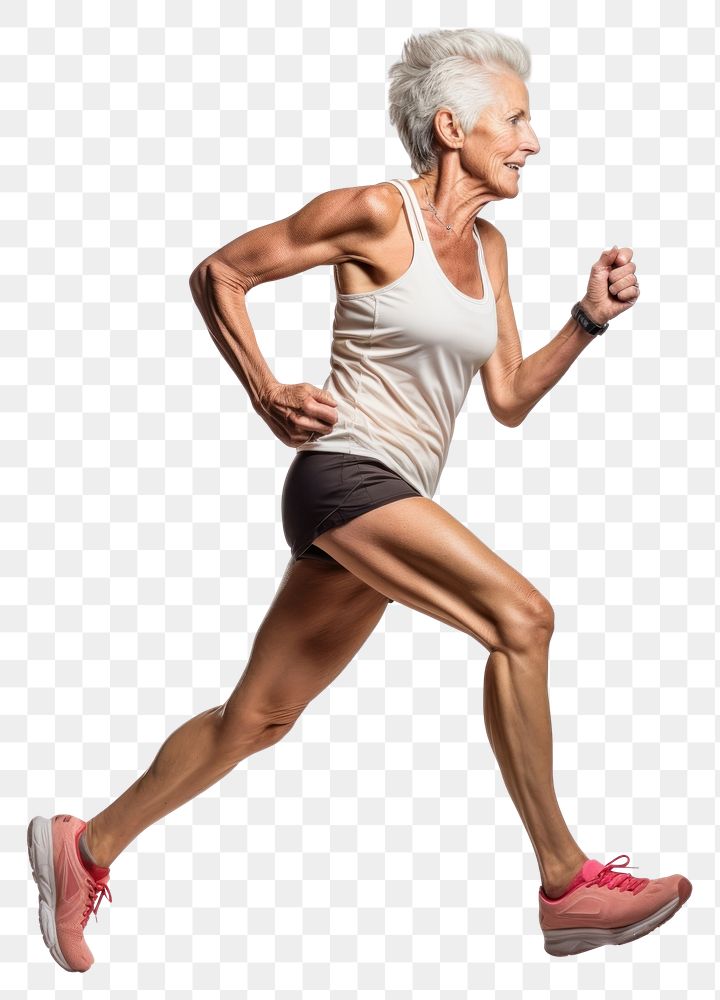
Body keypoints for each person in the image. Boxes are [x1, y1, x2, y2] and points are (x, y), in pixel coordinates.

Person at [27, 27, 691, 972]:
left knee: (255, 719)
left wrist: (587, 320)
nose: (533, 141)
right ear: (452, 125)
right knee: (522, 619)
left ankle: (84, 846)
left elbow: (504, 396)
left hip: (388, 501)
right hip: (344, 476)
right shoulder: (378, 214)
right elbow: (223, 272)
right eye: (516, 119)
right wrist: (265, 389)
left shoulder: (491, 248)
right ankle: (564, 881)